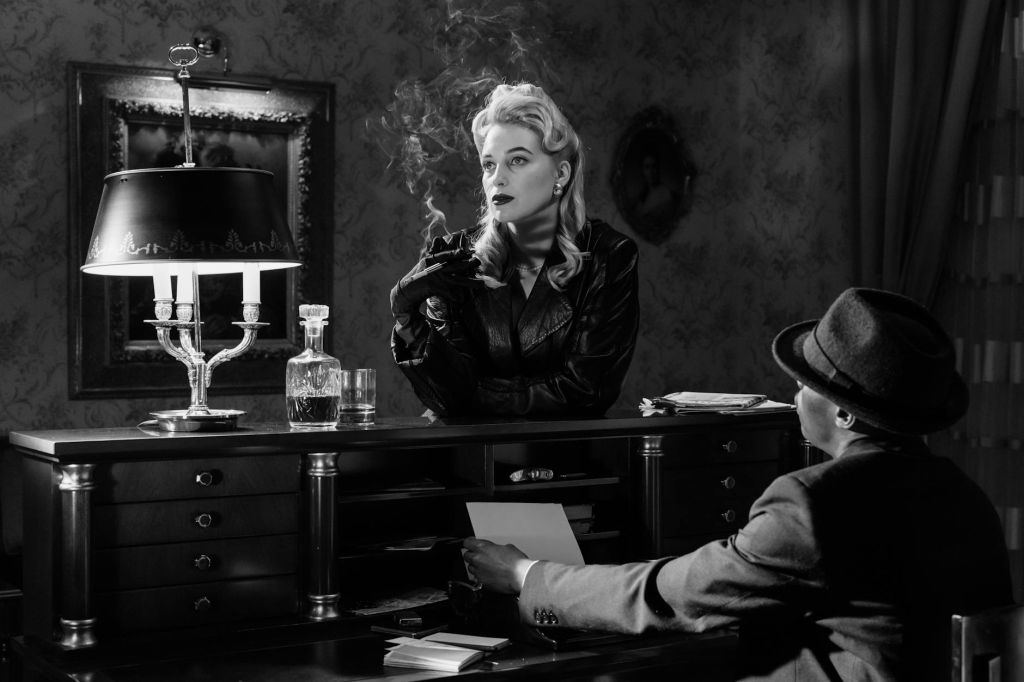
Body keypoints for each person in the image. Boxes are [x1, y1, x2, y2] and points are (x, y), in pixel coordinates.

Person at [462, 288, 1013, 681]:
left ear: (845, 415)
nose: (795, 394)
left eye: (805, 383)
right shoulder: (966, 496)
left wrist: (523, 574)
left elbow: (668, 595)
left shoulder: (812, 504)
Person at [390, 83, 639, 417]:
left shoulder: (609, 256)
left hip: (569, 462)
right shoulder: (454, 256)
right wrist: (407, 317)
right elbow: (441, 394)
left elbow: (584, 391)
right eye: (489, 164)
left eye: (518, 160)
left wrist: (468, 397)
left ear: (561, 174)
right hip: (469, 461)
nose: (498, 178)